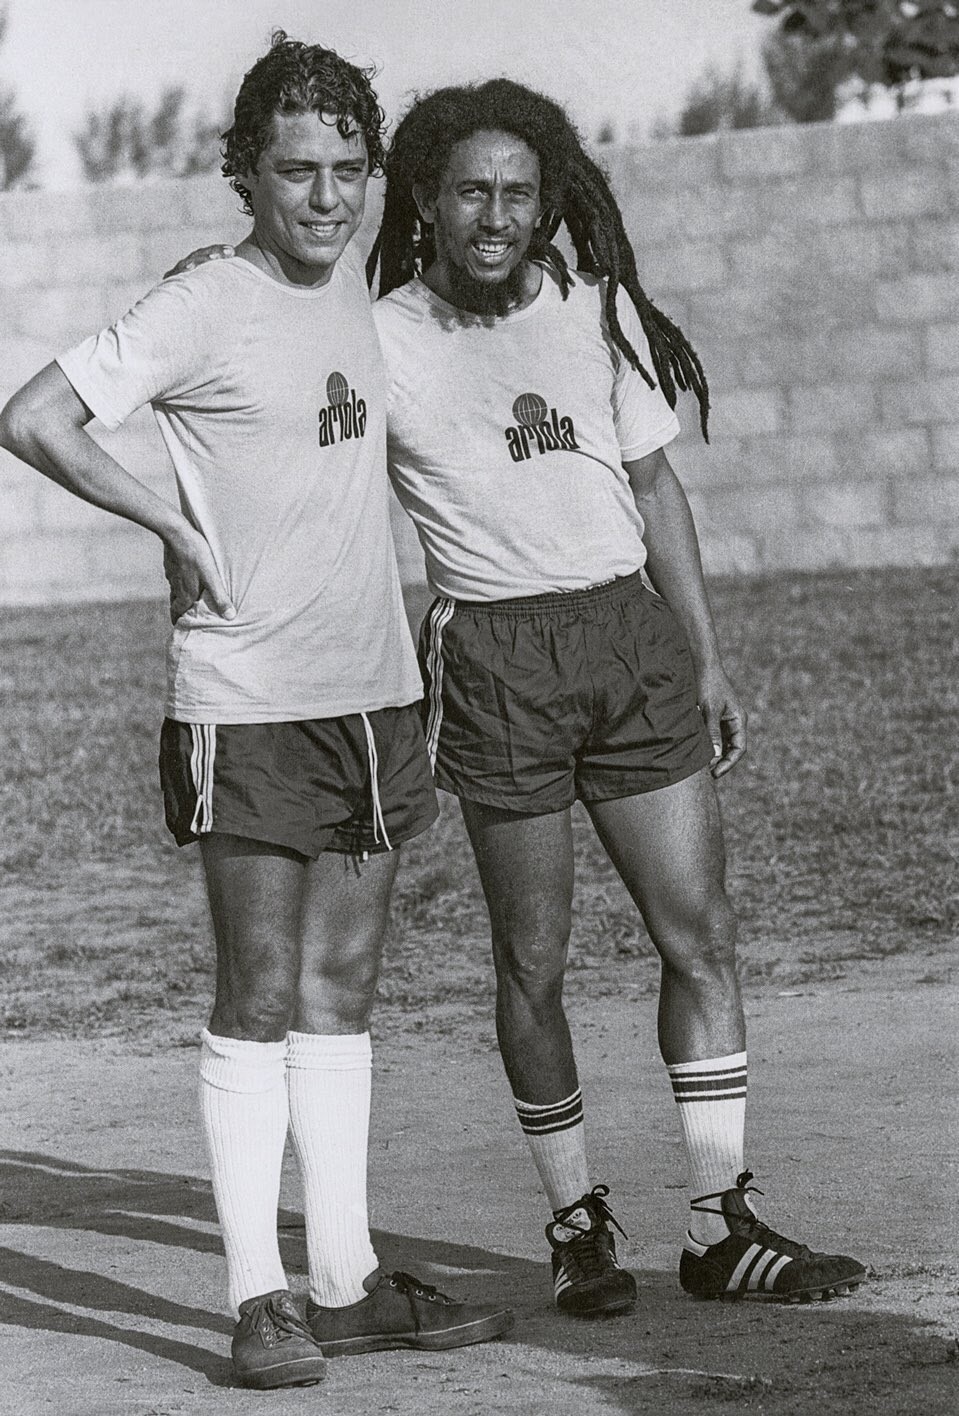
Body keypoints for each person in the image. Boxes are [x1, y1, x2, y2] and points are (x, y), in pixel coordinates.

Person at [0, 35, 511, 1390]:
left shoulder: (357, 280)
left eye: (348, 169)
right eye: (296, 172)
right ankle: (255, 1295)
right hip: (249, 701)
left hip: (373, 694)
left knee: (342, 993)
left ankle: (341, 1280)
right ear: (246, 175)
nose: (326, 197)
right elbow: (35, 416)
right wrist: (169, 523)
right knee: (261, 990)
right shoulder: (201, 302)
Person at [365, 79, 867, 1318]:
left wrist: (704, 656)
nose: (495, 215)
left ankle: (717, 1224)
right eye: (470, 191)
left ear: (547, 202)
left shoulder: (597, 308)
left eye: (517, 192)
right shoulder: (375, 337)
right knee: (531, 957)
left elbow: (654, 490)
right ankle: (574, 1224)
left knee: (699, 933)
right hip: (495, 662)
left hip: (626, 641)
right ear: (425, 197)